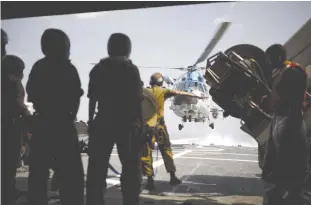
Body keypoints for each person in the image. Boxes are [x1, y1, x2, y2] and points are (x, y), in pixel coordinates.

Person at [26, 28, 84, 205]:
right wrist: (70, 117)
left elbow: (31, 93)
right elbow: (75, 97)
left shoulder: (38, 67)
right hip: (63, 126)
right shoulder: (69, 68)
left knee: (37, 175)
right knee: (73, 177)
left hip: (42, 125)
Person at [86, 33, 143, 205]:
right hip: (126, 123)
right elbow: (137, 99)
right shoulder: (131, 69)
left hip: (103, 121)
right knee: (131, 167)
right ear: (128, 49)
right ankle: (130, 200)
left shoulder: (98, 69)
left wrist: (91, 121)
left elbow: (92, 98)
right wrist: (140, 121)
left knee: (97, 168)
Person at [261, 44, 308, 205]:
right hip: (280, 119)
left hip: (290, 119)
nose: (268, 63)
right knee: (275, 158)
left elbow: (291, 98)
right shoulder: (282, 72)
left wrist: (279, 107)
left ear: (278, 58)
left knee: (290, 157)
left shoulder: (294, 71)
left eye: (270, 59)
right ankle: (278, 192)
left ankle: (292, 194)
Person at [144, 72, 205, 191]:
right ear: (161, 82)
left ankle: (150, 181)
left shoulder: (144, 91)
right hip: (160, 126)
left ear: (151, 82)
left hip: (148, 127)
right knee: (166, 150)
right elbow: (179, 92)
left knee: (146, 153)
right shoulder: (164, 91)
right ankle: (172, 177)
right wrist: (195, 96)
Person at [2, 54, 31, 205]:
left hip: (12, 124)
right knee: (8, 161)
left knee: (9, 161)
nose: (22, 74)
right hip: (9, 125)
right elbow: (19, 103)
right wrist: (28, 117)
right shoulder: (13, 84)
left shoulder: (14, 83)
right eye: (20, 70)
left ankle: (8, 189)